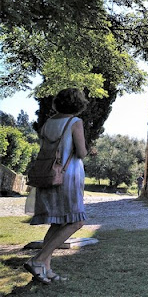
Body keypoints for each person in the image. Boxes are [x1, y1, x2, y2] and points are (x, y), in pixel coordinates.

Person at [24, 88, 88, 284]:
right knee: (77, 221)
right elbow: (81, 152)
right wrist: (89, 150)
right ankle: (38, 260)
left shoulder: (48, 123)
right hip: (67, 177)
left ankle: (46, 269)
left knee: (57, 222)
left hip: (48, 175)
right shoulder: (75, 123)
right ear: (78, 104)